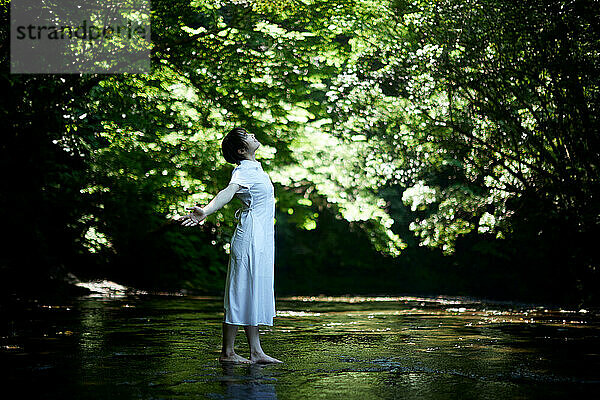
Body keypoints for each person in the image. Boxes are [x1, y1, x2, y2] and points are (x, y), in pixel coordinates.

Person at [178, 127, 283, 364]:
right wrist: (205, 211)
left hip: (262, 238)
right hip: (250, 238)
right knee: (240, 290)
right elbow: (228, 193)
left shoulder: (255, 168)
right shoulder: (243, 171)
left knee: (252, 290)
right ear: (241, 149)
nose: (254, 136)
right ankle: (228, 352)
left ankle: (255, 351)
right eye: (247, 136)